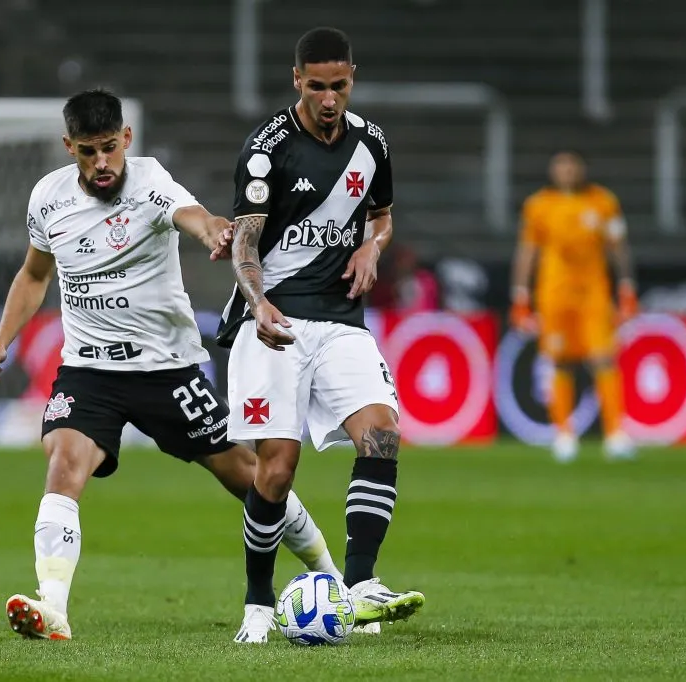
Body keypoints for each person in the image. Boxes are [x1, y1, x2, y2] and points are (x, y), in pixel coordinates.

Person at [0, 89, 342, 641]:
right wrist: (1, 342)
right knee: (63, 465)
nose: (101, 164)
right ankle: (53, 608)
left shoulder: (148, 181)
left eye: (109, 149)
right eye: (88, 152)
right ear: (69, 147)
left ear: (126, 139)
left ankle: (332, 579)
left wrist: (215, 228)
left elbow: (189, 214)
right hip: (89, 371)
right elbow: (34, 275)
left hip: (167, 370)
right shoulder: (47, 199)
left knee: (249, 478)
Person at [216, 27, 425, 644]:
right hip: (275, 323)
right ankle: (257, 601)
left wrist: (371, 246)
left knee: (382, 434)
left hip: (339, 321)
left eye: (339, 86)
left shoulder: (373, 142)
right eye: (317, 87)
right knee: (276, 471)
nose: (329, 99)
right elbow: (246, 242)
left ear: (352, 77)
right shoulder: (266, 151)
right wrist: (257, 301)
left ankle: (360, 588)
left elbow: (382, 217)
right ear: (296, 81)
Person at [510, 150, 639, 462]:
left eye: (572, 165)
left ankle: (615, 433)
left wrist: (627, 288)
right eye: (561, 166)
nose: (567, 171)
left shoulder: (602, 202)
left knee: (603, 358)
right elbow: (528, 251)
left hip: (593, 294)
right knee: (560, 361)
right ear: (553, 171)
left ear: (582, 169)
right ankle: (564, 434)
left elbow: (618, 248)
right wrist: (520, 296)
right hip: (554, 295)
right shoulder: (539, 205)